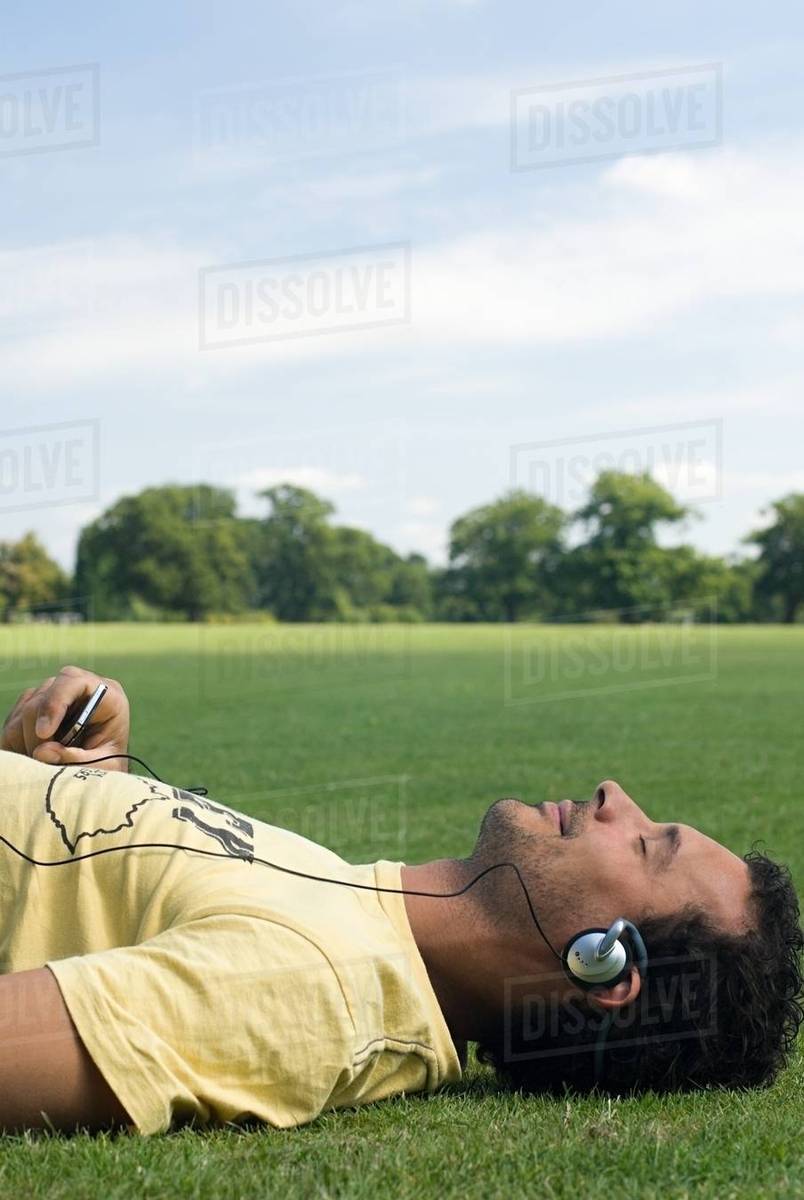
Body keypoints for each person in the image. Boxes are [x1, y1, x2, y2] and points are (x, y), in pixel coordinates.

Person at [0, 666, 800, 1135]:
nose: (614, 794)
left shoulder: (312, 988)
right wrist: (78, 781)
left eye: (646, 843)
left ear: (606, 965)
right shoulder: (359, 912)